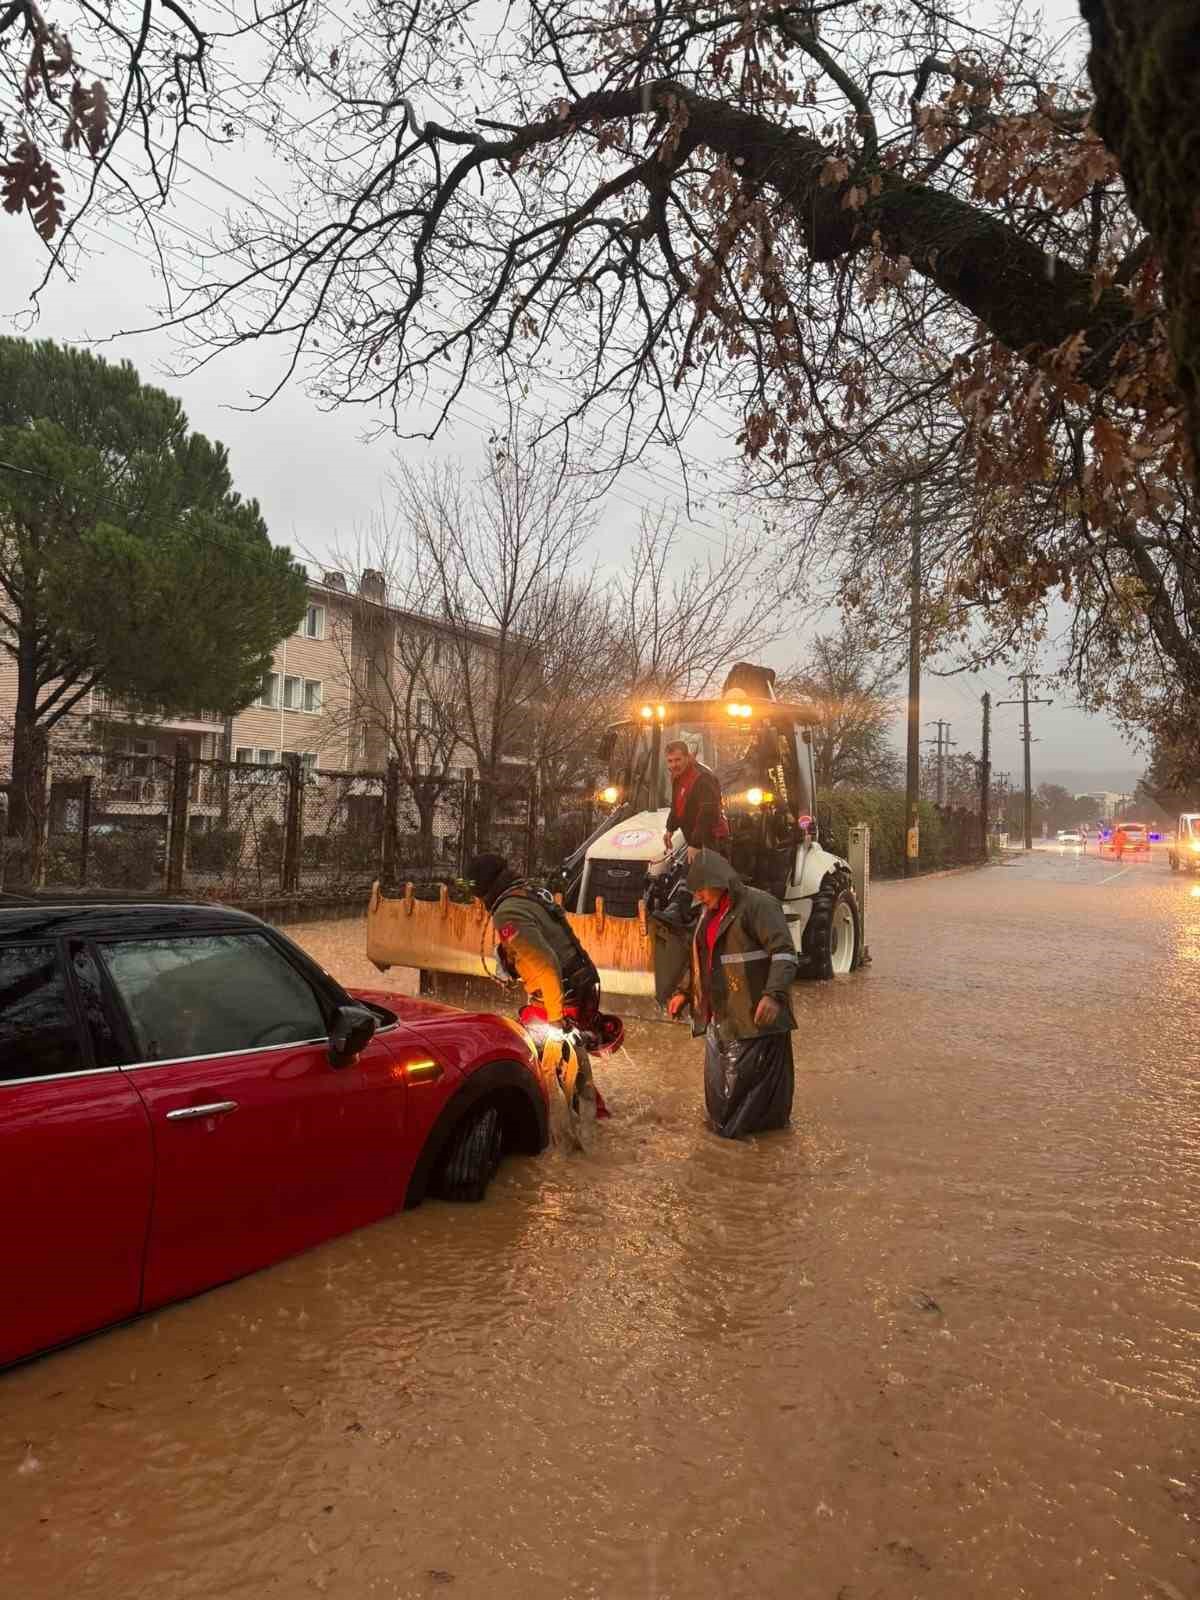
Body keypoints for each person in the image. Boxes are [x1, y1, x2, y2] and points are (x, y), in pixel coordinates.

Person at [465, 852, 614, 1134]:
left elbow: (546, 964)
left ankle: (573, 1136)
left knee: (545, 1064)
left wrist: (556, 1021)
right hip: (580, 987)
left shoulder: (507, 911)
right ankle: (598, 1123)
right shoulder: (529, 893)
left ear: (482, 890)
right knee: (572, 1072)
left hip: (560, 997)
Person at [666, 848, 797, 1139]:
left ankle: (752, 1172)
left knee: (743, 1118)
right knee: (719, 1112)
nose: (698, 896)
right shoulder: (707, 914)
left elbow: (785, 954)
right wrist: (684, 993)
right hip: (719, 1021)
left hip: (754, 1025)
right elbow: (701, 959)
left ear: (719, 881)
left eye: (701, 889)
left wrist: (774, 995)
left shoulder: (759, 905)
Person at [663, 740, 730, 861]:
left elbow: (708, 812)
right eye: (670, 761)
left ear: (687, 757)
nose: (674, 765)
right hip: (697, 839)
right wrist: (670, 828)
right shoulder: (677, 776)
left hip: (712, 840)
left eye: (678, 760)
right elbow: (677, 805)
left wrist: (696, 844)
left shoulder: (702, 777)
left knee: (709, 879)